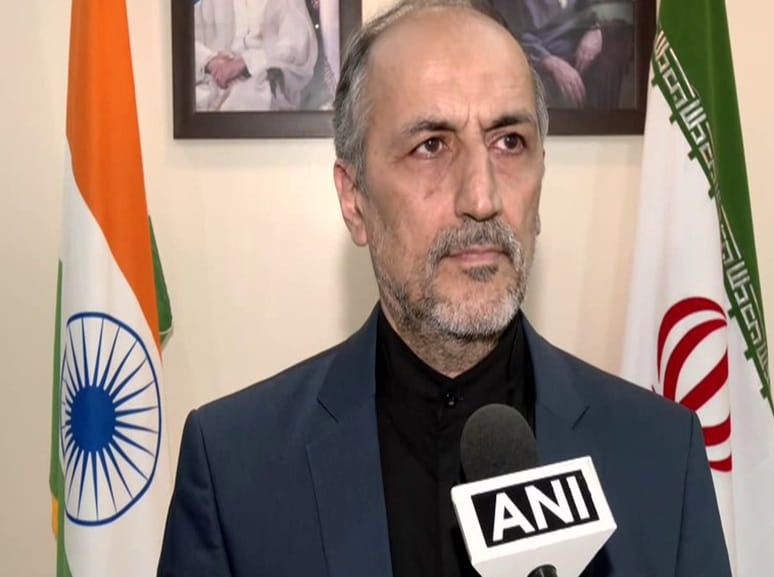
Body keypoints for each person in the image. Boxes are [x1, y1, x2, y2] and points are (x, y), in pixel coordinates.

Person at [158, 2, 732, 576]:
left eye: (509, 142)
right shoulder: (235, 470)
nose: (482, 198)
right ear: (354, 199)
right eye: (431, 145)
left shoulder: (661, 456)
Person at [492, 0, 636, 109]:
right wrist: (550, 62)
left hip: (581, 46)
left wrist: (598, 30)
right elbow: (507, 31)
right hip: (536, 57)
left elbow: (613, 8)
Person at [194, 0, 318, 111]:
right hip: (212, 78)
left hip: (262, 79)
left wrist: (245, 63)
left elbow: (294, 46)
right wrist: (211, 61)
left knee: (246, 100)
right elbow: (188, 39)